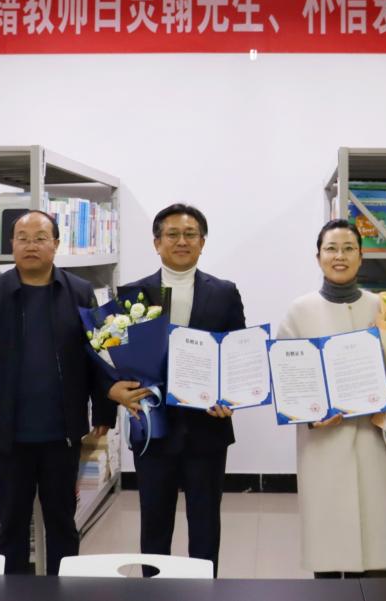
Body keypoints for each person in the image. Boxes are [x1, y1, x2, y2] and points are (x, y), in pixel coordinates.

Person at [0, 210, 115, 575]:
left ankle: (63, 587)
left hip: (62, 434)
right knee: (11, 524)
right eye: (22, 238)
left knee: (62, 522)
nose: (31, 245)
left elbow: (99, 355)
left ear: (56, 244)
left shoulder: (79, 292)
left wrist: (105, 411)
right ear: (11, 245)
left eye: (40, 238)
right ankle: (12, 590)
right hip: (8, 436)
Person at [277, 219, 386, 578]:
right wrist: (312, 416)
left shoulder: (383, 308)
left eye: (349, 249)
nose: (340, 256)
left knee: (368, 537)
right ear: (318, 257)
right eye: (331, 249)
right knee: (327, 538)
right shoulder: (300, 311)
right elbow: (286, 379)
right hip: (323, 442)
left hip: (370, 436)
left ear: (361, 257)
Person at [106, 203, 245, 576]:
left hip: (208, 427)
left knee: (205, 524)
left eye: (190, 234)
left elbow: (238, 354)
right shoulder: (133, 295)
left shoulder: (225, 292)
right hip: (153, 428)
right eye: (172, 234)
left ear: (202, 242)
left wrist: (232, 396)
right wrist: (115, 389)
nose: (182, 241)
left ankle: (204, 591)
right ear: (157, 243)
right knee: (154, 524)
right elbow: (112, 355)